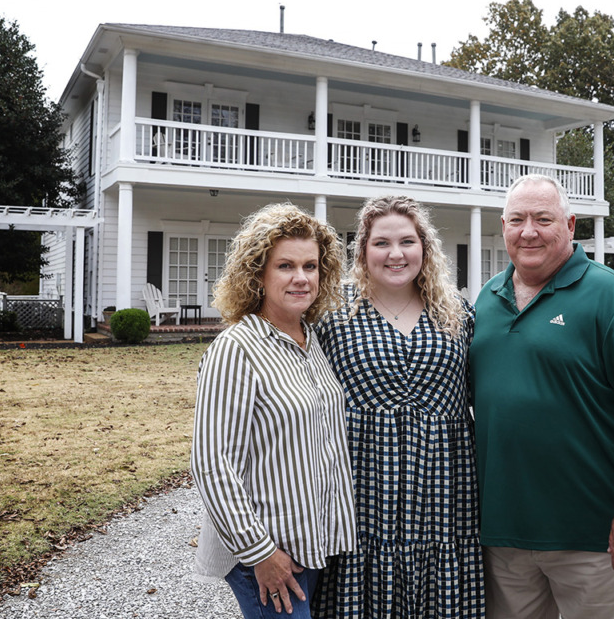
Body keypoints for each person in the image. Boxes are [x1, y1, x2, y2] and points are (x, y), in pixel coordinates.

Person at [469, 174, 614, 619]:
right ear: (502, 225)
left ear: (570, 224)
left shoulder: (613, 298)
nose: (529, 231)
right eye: (517, 219)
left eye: (543, 219)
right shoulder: (486, 302)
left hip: (595, 537)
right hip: (503, 537)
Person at [313, 195, 484, 618]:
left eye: (407, 241)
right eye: (381, 243)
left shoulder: (458, 313)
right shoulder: (332, 314)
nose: (395, 254)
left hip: (445, 490)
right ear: (363, 250)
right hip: (361, 489)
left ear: (425, 248)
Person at [191, 202, 356, 619]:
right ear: (258, 275)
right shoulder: (237, 349)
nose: (301, 278)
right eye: (285, 266)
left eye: (311, 266)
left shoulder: (311, 341)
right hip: (265, 555)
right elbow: (211, 462)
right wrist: (260, 552)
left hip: (307, 548)